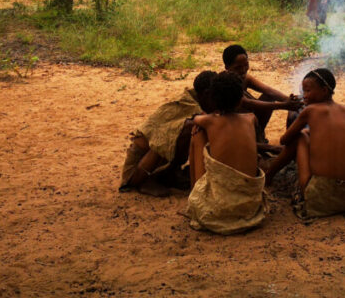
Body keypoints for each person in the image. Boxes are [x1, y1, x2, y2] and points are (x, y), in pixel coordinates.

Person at [264, 68, 345, 218]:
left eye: (307, 91)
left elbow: (285, 140)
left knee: (300, 136)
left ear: (325, 90)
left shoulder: (310, 110)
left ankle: (269, 175)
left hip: (321, 199)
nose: (304, 96)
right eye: (303, 91)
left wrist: (307, 132)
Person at [186, 72, 268, 234]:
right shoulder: (251, 118)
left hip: (219, 212)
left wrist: (203, 119)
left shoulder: (210, 121)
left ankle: (194, 192)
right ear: (240, 99)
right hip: (249, 208)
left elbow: (194, 119)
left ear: (212, 99)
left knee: (198, 134)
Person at [119, 70, 216, 197]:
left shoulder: (195, 100)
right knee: (185, 130)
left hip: (156, 158)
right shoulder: (187, 105)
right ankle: (145, 181)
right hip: (136, 169)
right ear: (206, 94)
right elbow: (161, 141)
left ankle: (169, 174)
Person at [222, 44, 299, 143]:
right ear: (227, 67)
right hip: (234, 126)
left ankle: (259, 134)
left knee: (269, 97)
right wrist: (284, 105)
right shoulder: (226, 83)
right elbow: (247, 103)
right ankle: (254, 139)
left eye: (246, 65)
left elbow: (269, 91)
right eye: (238, 67)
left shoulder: (245, 78)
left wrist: (288, 100)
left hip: (249, 120)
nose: (243, 70)